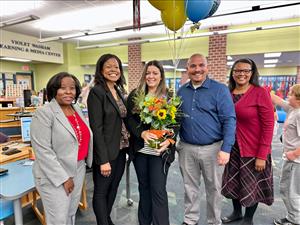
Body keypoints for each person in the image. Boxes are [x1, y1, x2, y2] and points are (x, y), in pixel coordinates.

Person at [177, 54, 236, 225]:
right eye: (193, 66)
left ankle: (213, 221)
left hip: (213, 149)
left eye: (201, 65)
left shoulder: (219, 90)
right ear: (187, 69)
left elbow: (229, 120)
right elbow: (176, 120)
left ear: (207, 67)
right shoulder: (182, 91)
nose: (197, 70)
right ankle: (190, 219)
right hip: (186, 148)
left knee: (214, 189)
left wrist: (226, 149)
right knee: (190, 187)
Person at [30, 72, 93, 225]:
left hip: (78, 167)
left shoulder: (76, 108)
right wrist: (64, 178)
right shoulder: (44, 113)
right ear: (53, 90)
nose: (68, 92)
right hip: (55, 174)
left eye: (72, 88)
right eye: (63, 88)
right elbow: (43, 151)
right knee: (58, 219)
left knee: (71, 213)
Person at [221, 58, 274, 225]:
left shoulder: (260, 92)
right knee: (234, 184)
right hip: (233, 148)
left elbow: (268, 125)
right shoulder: (227, 93)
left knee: (253, 185)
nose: (241, 73)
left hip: (253, 149)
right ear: (232, 72)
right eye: (237, 70)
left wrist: (262, 155)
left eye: (246, 70)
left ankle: (248, 219)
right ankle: (237, 213)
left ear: (252, 72)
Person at [127, 60, 177, 225]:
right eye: (148, 73)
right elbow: (129, 119)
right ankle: (144, 222)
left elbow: (176, 124)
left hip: (160, 150)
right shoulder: (135, 95)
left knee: (158, 190)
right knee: (144, 189)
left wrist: (169, 140)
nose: (151, 76)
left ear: (161, 75)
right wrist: (141, 132)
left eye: (155, 73)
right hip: (141, 151)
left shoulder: (168, 96)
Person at [87, 54, 129, 225]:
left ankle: (107, 219)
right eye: (109, 66)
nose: (113, 70)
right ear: (101, 70)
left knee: (114, 188)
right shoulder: (97, 92)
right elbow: (96, 129)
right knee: (101, 191)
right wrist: (103, 160)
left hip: (120, 149)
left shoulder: (118, 91)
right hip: (106, 152)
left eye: (117, 67)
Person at [271, 84, 300, 225]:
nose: (287, 95)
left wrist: (294, 154)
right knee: (285, 188)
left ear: (298, 98)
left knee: (291, 191)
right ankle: (292, 216)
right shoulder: (293, 109)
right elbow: (278, 100)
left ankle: (295, 220)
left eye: (291, 94)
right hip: (289, 158)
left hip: (296, 161)